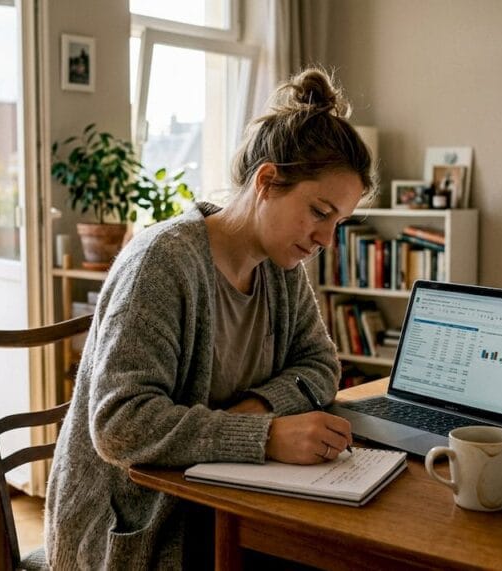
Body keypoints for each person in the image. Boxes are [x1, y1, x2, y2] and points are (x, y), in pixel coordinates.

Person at [44, 67, 377, 569]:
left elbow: (320, 366)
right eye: (319, 211)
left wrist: (252, 412)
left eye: (338, 222)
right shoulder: (162, 263)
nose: (326, 239)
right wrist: (264, 436)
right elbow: (118, 425)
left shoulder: (279, 265)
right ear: (267, 181)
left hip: (219, 501)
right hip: (134, 531)